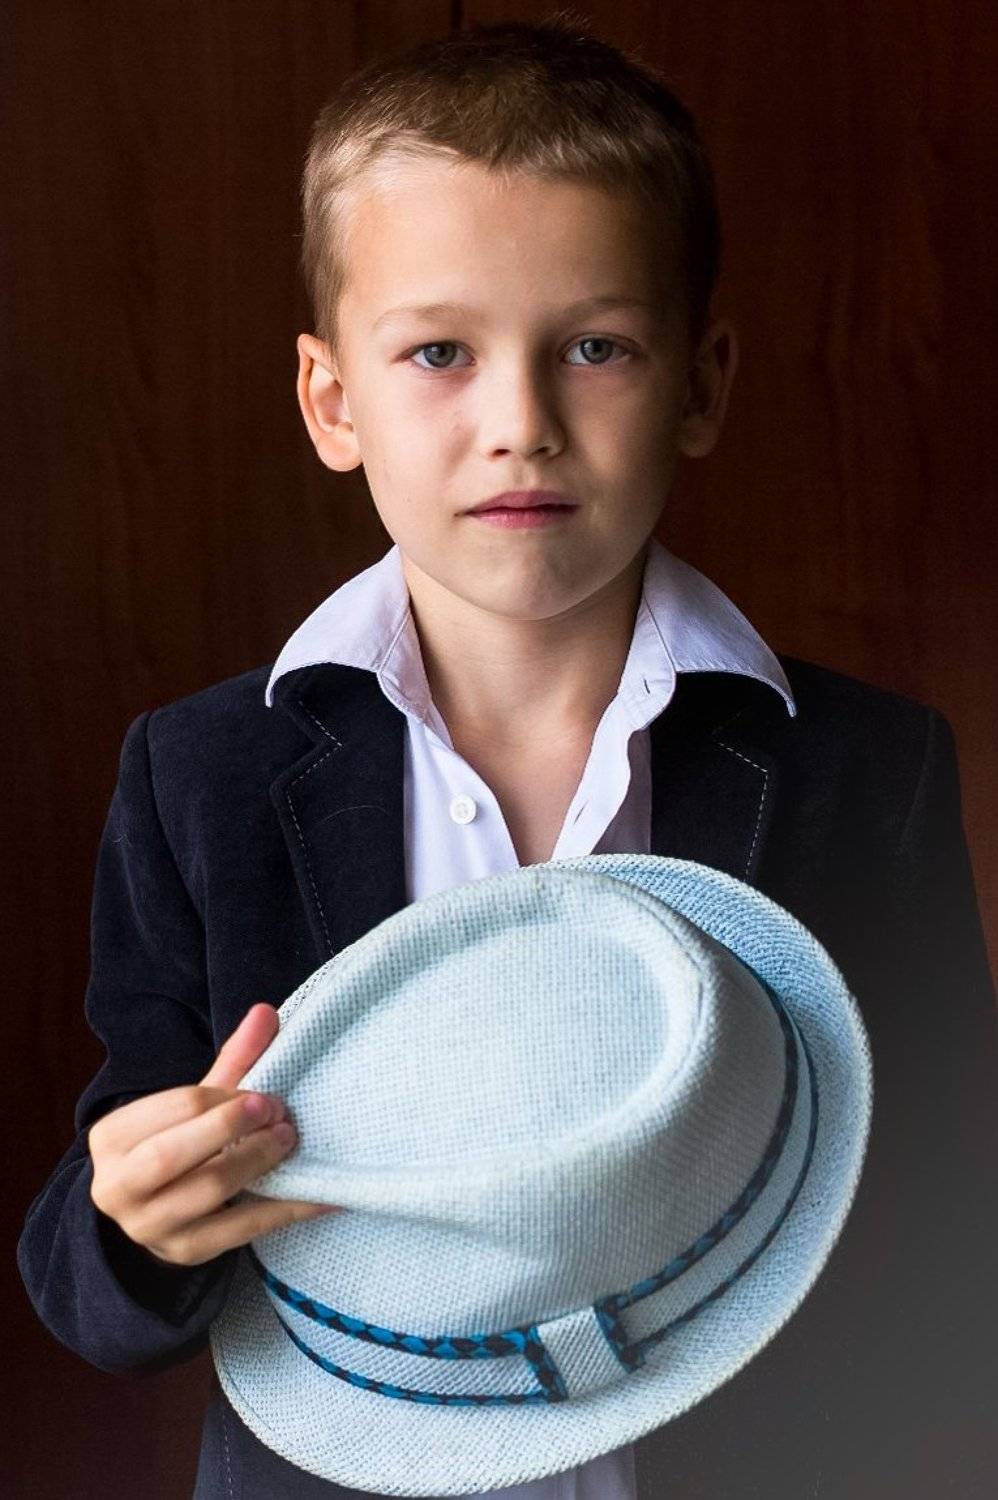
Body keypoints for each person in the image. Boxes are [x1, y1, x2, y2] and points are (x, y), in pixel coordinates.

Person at [17, 16, 998, 1500]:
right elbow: (88, 1272)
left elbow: (944, 1210)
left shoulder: (862, 767)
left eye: (594, 348)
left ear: (700, 384)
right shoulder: (201, 773)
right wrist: (134, 1228)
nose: (520, 425)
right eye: (439, 353)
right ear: (332, 402)